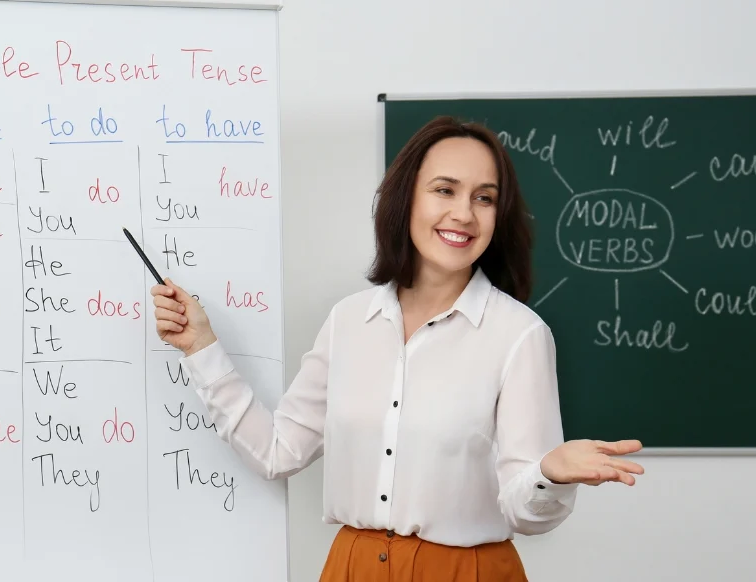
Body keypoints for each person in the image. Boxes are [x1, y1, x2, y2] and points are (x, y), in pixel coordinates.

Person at [149, 116, 644, 581]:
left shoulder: (519, 334)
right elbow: (277, 452)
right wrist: (201, 347)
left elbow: (525, 511)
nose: (464, 213)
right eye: (445, 190)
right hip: (352, 567)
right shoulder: (348, 321)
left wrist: (549, 474)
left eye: (484, 198)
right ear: (406, 198)